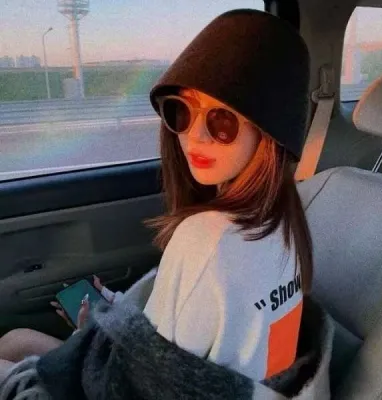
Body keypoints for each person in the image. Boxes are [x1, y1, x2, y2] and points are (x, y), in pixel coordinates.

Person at [0, 9, 334, 399]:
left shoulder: (208, 239)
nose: (195, 135)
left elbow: (140, 385)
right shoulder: (287, 226)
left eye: (222, 120)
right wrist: (109, 313)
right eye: (182, 110)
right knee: (18, 340)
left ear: (269, 131)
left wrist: (92, 332)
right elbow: (181, 344)